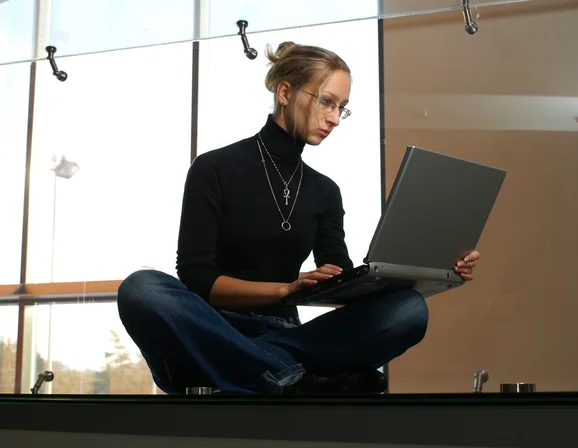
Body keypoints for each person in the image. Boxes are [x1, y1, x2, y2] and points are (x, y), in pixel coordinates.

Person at [117, 42, 480, 395]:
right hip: (211, 329)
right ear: (286, 92)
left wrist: (432, 270)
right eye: (326, 101)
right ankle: (297, 377)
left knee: (409, 311)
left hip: (286, 337)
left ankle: (267, 372)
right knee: (141, 288)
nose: (335, 119)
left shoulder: (325, 191)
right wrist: (285, 289)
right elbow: (196, 278)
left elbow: (337, 276)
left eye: (342, 108)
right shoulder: (214, 168)